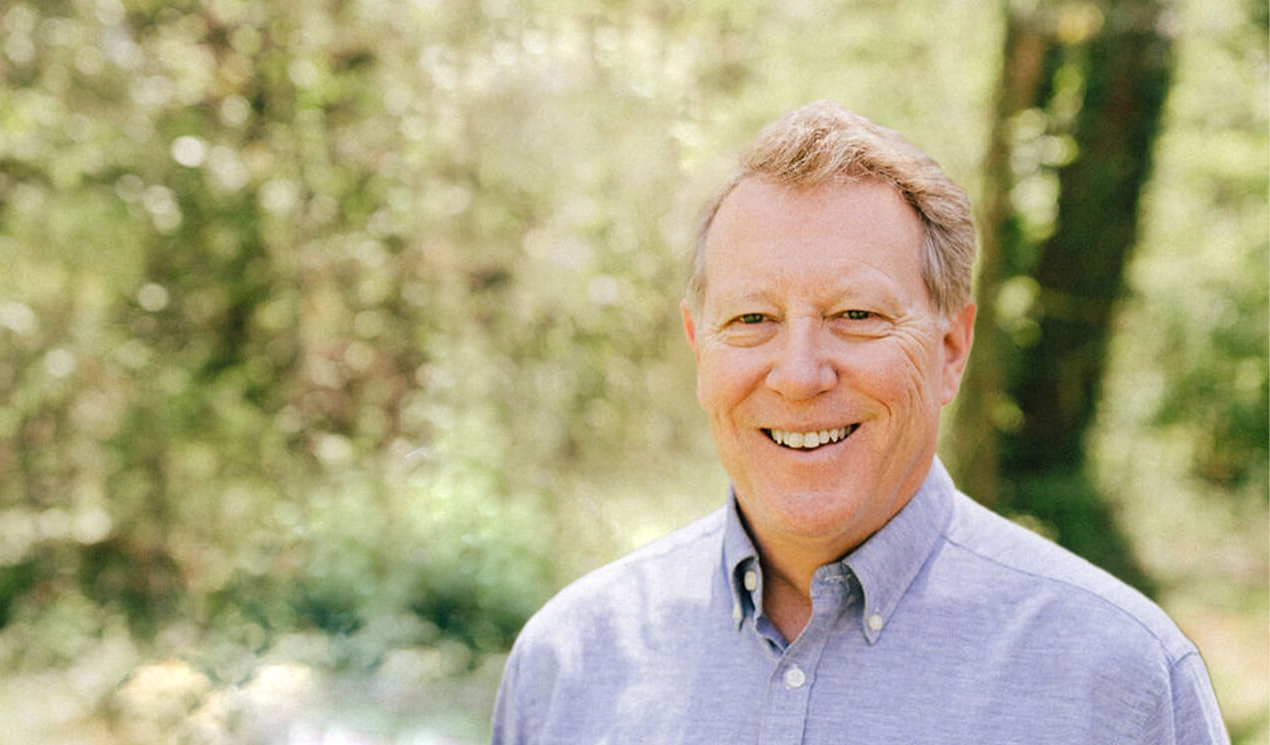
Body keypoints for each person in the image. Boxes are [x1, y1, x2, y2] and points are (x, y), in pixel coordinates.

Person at [490, 101, 1229, 744]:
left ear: (950, 350)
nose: (801, 374)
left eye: (856, 316)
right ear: (698, 347)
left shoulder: (1122, 680)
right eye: (752, 319)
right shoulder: (569, 662)